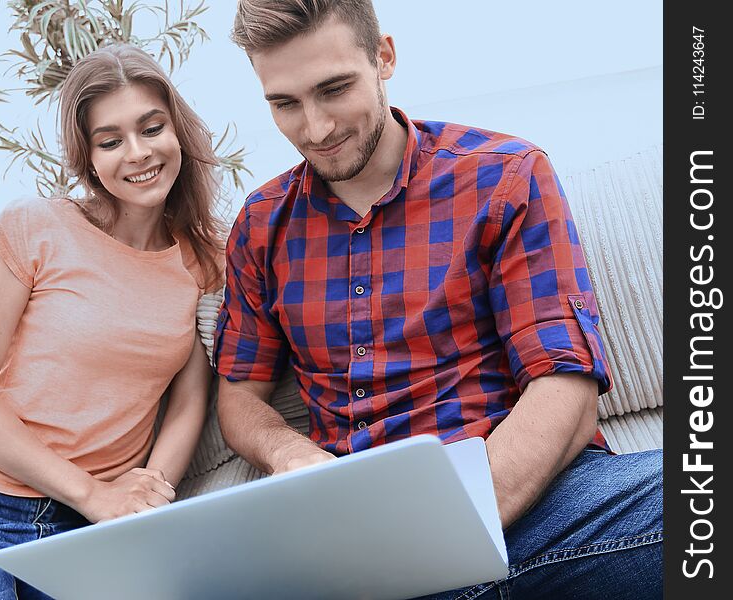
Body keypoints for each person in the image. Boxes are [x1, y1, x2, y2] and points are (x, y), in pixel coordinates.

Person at [214, 1, 662, 598]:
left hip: (541, 507)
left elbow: (565, 387)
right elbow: (239, 398)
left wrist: (449, 534)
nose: (315, 128)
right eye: (285, 103)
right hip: (365, 532)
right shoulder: (262, 226)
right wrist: (287, 452)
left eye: (334, 88)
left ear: (384, 57)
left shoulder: (505, 176)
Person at [0, 43, 224, 599]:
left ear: (177, 131)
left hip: (90, 534)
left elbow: (188, 399)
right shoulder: (32, 226)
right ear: (87, 158)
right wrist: (92, 493)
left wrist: (150, 496)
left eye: (151, 128)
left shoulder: (203, 262)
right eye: (110, 141)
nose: (137, 153)